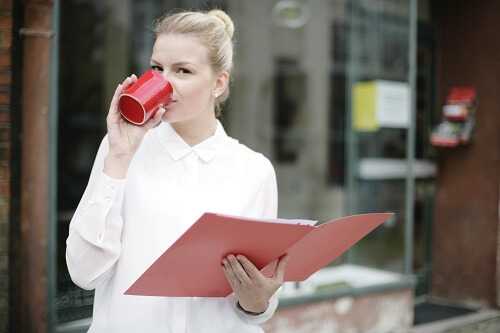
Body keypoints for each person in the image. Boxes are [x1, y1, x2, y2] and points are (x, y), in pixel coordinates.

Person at [66, 8, 289, 333]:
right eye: (157, 68)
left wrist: (257, 302)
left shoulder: (254, 171)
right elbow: (84, 273)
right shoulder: (122, 149)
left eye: (182, 71)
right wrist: (118, 157)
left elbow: (258, 307)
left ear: (218, 82)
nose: (164, 83)